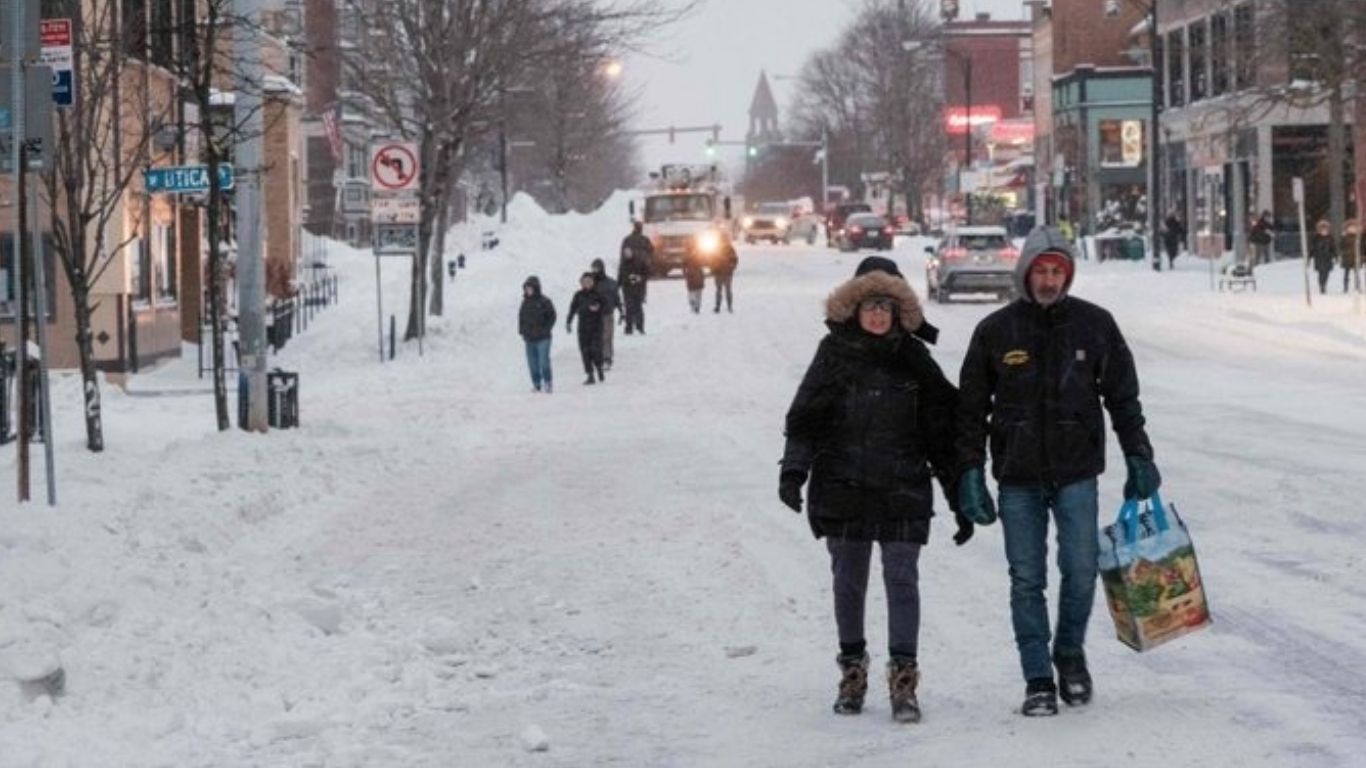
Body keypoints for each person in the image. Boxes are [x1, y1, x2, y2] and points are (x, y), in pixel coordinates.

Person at [956, 226, 1159, 717]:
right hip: (1018, 475)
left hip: (1076, 472)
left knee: (1082, 570)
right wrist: (969, 471)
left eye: (1057, 272)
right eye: (1041, 271)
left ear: (1067, 275)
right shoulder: (995, 331)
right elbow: (969, 410)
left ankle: (1068, 652)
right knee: (1027, 579)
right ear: (1025, 272)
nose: (1049, 281)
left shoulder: (1095, 325)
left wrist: (1139, 454)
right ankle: (1037, 678)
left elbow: (1123, 397)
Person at [779, 256, 972, 724]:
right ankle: (852, 672)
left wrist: (958, 497)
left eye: (887, 305)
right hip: (843, 485)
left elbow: (941, 436)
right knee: (849, 582)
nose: (878, 315)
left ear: (899, 310)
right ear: (855, 308)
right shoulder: (833, 355)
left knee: (902, 580)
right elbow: (806, 419)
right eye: (870, 305)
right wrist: (793, 472)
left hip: (902, 487)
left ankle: (904, 680)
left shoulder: (916, 362)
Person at [566, 272, 606, 385]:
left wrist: (598, 307)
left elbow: (606, 306)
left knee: (595, 350)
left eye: (589, 281)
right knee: (585, 352)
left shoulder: (598, 294)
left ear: (593, 282)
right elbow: (572, 309)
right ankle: (590, 375)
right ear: (581, 283)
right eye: (584, 282)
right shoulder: (578, 295)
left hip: (596, 327)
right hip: (582, 328)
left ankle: (599, 367)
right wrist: (569, 322)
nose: (587, 284)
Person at [518, 276, 556, 393]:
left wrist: (546, 329)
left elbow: (552, 316)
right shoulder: (525, 303)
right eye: (526, 288)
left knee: (544, 361)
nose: (528, 290)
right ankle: (536, 383)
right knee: (532, 363)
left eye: (530, 288)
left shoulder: (545, 301)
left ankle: (548, 382)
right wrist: (522, 331)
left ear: (536, 288)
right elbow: (521, 318)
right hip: (529, 338)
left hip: (543, 338)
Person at [619, 222, 653, 334]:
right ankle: (639, 326)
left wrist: (620, 281)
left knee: (629, 304)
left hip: (628, 281)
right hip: (639, 280)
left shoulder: (627, 240)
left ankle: (629, 327)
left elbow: (622, 262)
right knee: (638, 304)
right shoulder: (645, 240)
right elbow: (652, 254)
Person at [590, 258, 622, 368]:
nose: (595, 270)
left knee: (607, 336)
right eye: (593, 268)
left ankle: (607, 358)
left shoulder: (610, 283)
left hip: (607, 313)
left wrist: (621, 312)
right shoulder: (590, 283)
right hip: (594, 314)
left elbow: (616, 298)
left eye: (597, 268)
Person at [1310, 219, 1337, 295]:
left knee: (1327, 273)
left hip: (1328, 258)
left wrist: (1335, 256)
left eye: (1325, 229)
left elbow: (1333, 247)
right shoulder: (1316, 238)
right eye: (1322, 229)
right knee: (1321, 273)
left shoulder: (1330, 238)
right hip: (1319, 258)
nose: (1324, 230)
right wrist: (1310, 256)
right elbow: (1312, 248)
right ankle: (1322, 286)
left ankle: (1324, 284)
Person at [712, 243, 739, 313]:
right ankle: (722, 306)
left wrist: (732, 267)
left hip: (725, 273)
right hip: (722, 272)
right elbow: (711, 260)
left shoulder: (728, 249)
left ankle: (724, 306)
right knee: (722, 290)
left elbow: (735, 260)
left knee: (724, 290)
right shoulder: (728, 249)